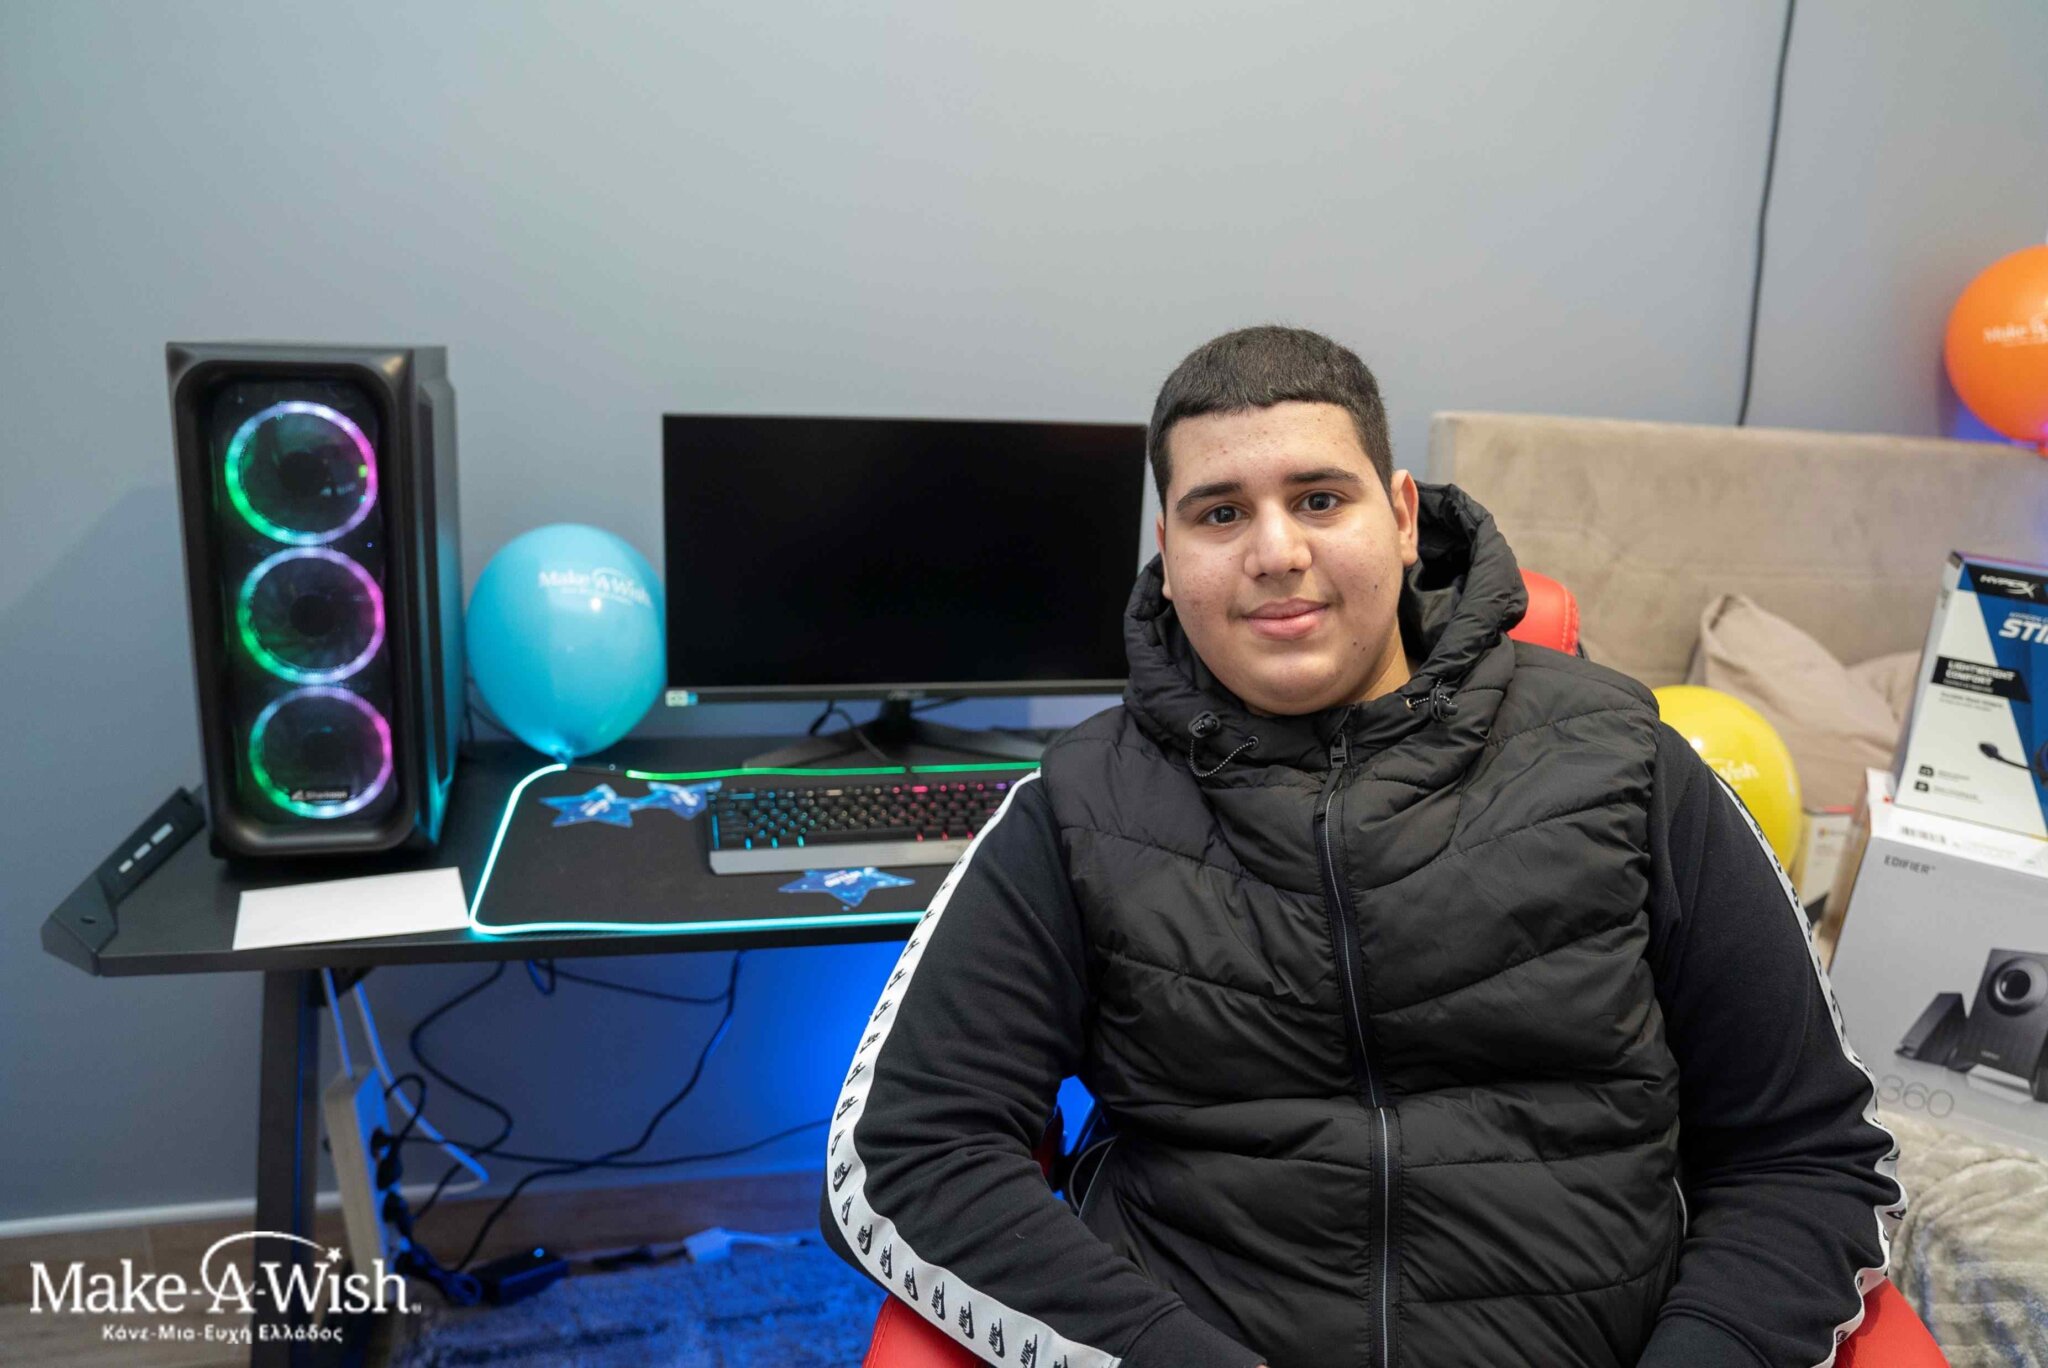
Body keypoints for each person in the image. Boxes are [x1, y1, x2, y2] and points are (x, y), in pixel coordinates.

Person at [818, 325, 1904, 1368]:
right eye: (1219, 513)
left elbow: (1808, 1151)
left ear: (1400, 516)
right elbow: (904, 1152)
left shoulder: (1627, 759)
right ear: (1169, 553)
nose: (1275, 552)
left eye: (1319, 499)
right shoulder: (1076, 806)